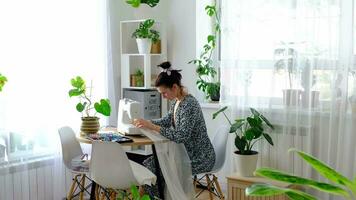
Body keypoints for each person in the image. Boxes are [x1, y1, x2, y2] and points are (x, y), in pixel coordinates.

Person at [133, 61, 216, 198]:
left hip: (200, 157)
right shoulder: (177, 101)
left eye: (164, 93)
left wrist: (152, 126)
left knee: (156, 168)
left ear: (175, 87)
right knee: (151, 164)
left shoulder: (189, 105)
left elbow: (181, 136)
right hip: (186, 153)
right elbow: (166, 121)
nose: (163, 97)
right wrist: (147, 122)